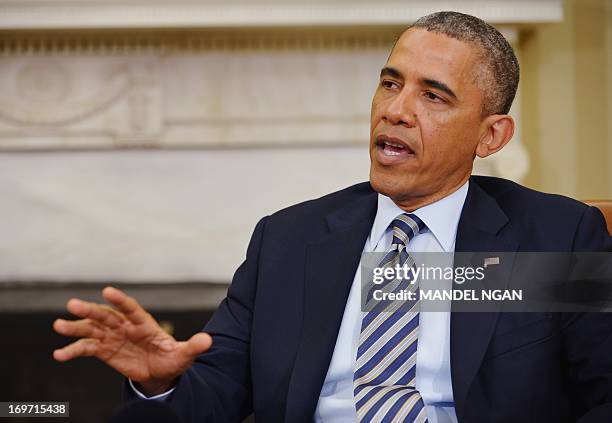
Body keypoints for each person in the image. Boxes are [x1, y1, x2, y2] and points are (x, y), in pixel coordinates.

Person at [53, 11, 612, 423]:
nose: (396, 110)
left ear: (491, 136)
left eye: (433, 96)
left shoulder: (554, 240)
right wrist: (161, 382)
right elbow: (213, 396)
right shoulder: (289, 241)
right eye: (391, 83)